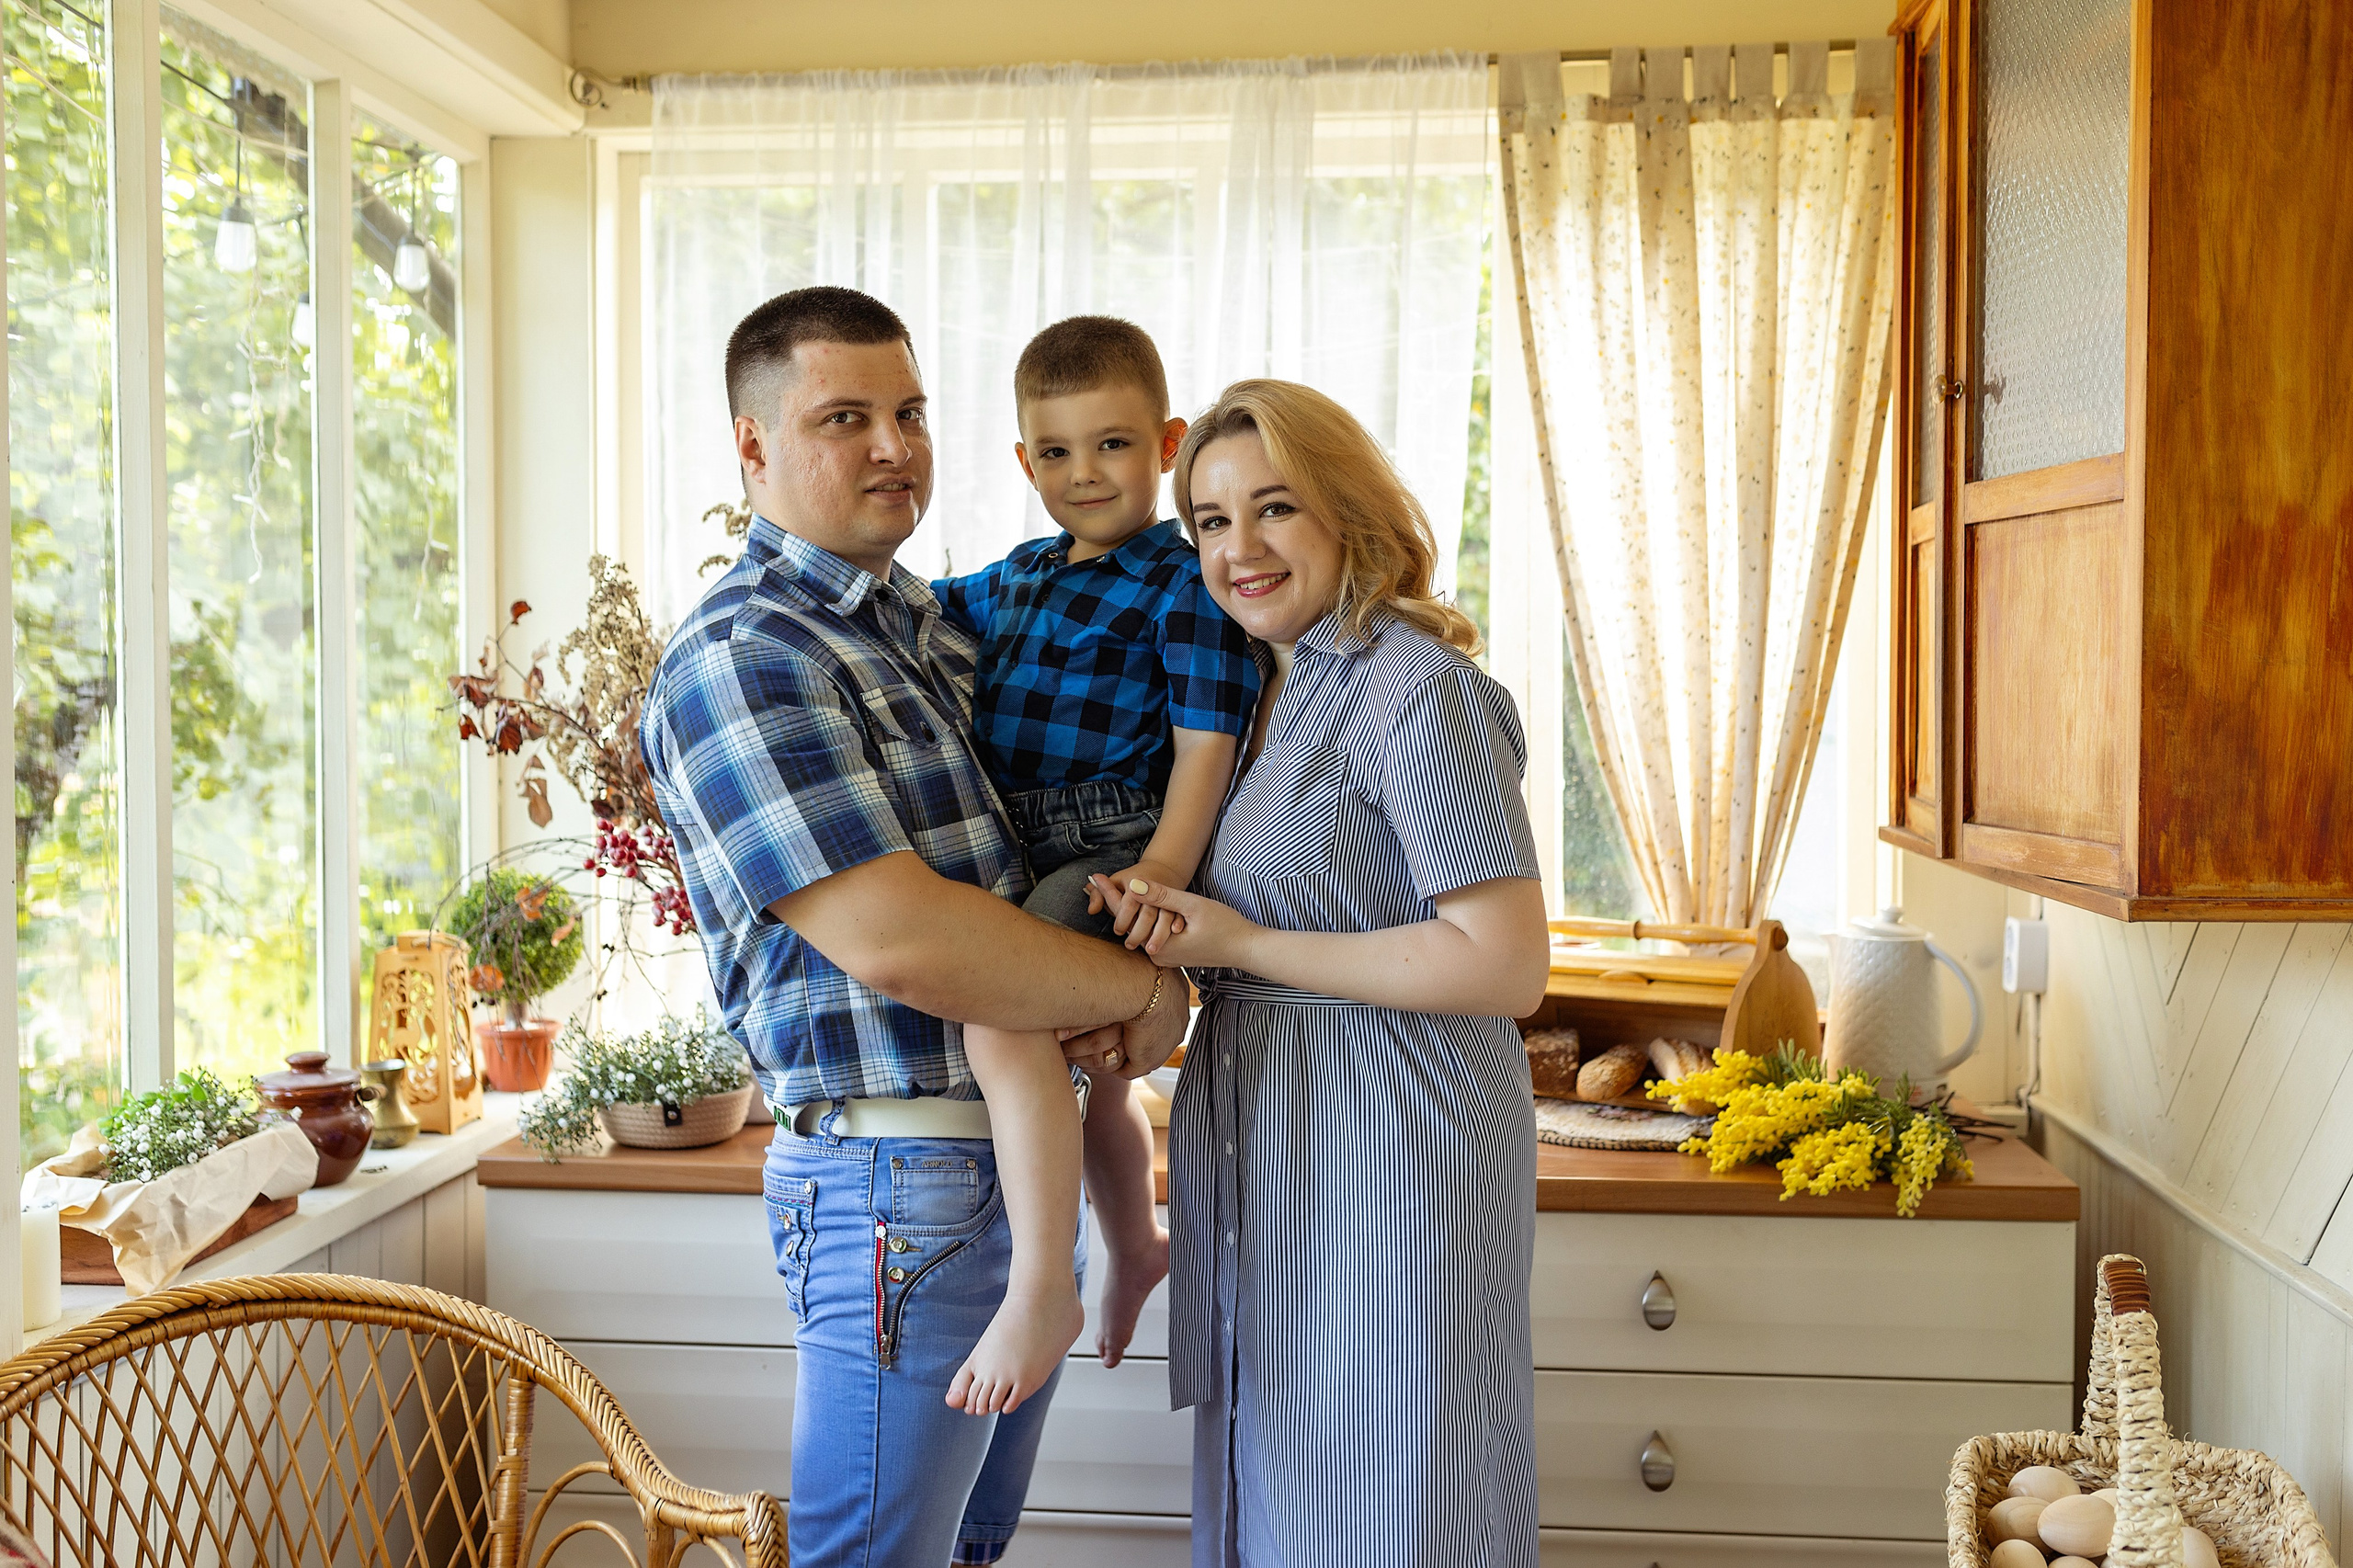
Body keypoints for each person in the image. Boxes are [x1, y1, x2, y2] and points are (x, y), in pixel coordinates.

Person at [641, 286, 1185, 1568]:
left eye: (911, 411)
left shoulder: (926, 627)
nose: (894, 445)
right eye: (846, 417)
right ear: (754, 445)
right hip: (898, 1181)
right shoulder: (746, 653)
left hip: (999, 1155)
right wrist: (1147, 997)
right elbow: (900, 937)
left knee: (964, 1553)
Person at [1086, 380, 1552, 1567]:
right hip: (1289, 1150)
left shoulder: (1417, 685)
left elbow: (1505, 964)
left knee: (1393, 1492)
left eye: (1275, 508)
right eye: (1209, 520)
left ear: (1348, 510)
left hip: (1395, 1154)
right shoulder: (1280, 685)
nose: (1238, 548)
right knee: (1295, 1494)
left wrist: (1234, 945)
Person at [934, 316, 1258, 1414]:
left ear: (1165, 443)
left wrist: (1162, 872)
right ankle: (1134, 1240)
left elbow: (1208, 740)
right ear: (1024, 462)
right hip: (1027, 837)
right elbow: (906, 613)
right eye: (1057, 452)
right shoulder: (1014, 579)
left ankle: (1041, 1286)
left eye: (1113, 445)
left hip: (1117, 840)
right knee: (1102, 1080)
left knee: (996, 1013)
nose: (1085, 475)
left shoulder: (1185, 579)